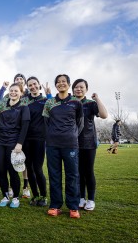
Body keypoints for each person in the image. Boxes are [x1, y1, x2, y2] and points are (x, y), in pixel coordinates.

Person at [43, 74, 83, 219]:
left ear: (68, 84)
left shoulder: (76, 102)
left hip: (70, 144)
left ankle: (73, 207)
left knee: (72, 175)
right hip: (52, 144)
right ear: (56, 85)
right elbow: (46, 123)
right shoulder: (50, 103)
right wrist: (52, 136)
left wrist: (71, 135)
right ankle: (55, 205)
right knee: (54, 175)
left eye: (64, 82)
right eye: (58, 82)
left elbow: (80, 123)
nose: (61, 84)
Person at [0, 83, 30, 208]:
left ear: (21, 93)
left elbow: (25, 127)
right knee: (0, 169)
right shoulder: (2, 104)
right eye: (11, 90)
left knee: (12, 170)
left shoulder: (24, 107)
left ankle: (15, 197)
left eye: (16, 91)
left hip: (13, 142)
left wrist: (19, 143)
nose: (13, 93)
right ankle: (5, 195)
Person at [73, 79, 108, 211]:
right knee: (78, 173)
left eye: (81, 87)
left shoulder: (90, 104)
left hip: (88, 143)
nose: (78, 89)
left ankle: (91, 199)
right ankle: (81, 198)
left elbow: (104, 115)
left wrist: (97, 99)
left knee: (88, 171)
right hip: (73, 143)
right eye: (76, 87)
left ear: (86, 90)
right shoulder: (71, 103)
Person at [20, 76, 51, 207]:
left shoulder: (45, 100)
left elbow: (54, 107)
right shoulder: (24, 101)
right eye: (30, 85)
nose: (33, 87)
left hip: (40, 138)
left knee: (38, 168)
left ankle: (44, 196)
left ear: (39, 84)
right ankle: (35, 195)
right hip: (26, 139)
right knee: (29, 168)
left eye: (34, 84)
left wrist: (49, 94)